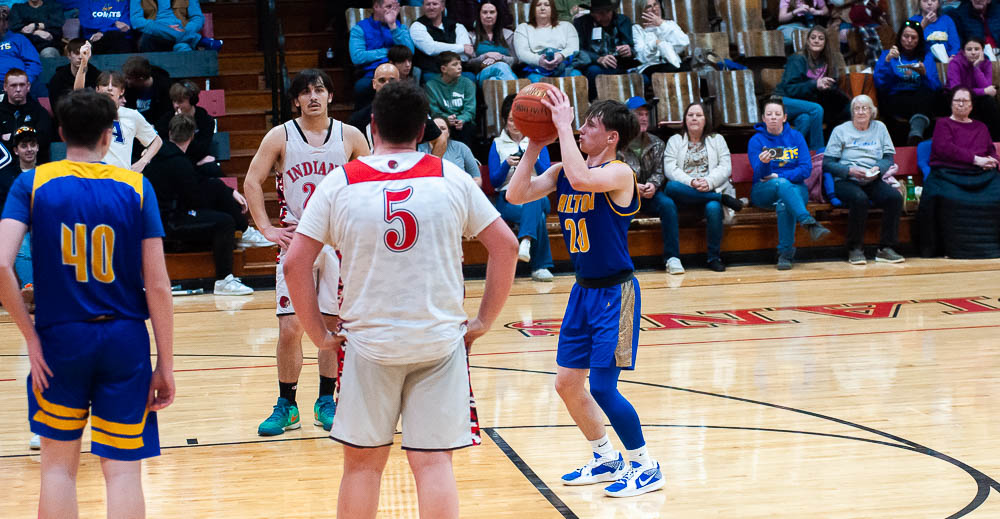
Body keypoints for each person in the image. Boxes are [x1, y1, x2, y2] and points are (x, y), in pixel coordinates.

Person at [285, 79, 517, 519]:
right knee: (432, 464)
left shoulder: (341, 181)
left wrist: (318, 334)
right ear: (423, 130)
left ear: (372, 126)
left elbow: (296, 264)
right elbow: (506, 246)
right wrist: (484, 321)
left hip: (368, 345)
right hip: (438, 342)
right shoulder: (451, 177)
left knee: (362, 467)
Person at [0, 87, 175, 519]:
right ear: (108, 136)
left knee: (58, 471)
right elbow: (157, 284)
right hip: (125, 338)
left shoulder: (32, 182)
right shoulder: (137, 186)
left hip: (60, 339)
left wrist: (31, 339)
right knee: (122, 474)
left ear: (60, 133)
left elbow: (2, 265)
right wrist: (165, 362)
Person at [505, 92, 665, 497]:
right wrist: (536, 145)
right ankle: (604, 456)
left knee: (604, 387)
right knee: (566, 383)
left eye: (589, 125)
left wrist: (558, 125)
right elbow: (516, 195)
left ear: (611, 137)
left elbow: (582, 180)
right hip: (582, 292)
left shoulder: (619, 173)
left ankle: (645, 466)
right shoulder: (564, 170)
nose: (579, 128)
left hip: (617, 292)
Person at [243, 69, 370, 436]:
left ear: (330, 95)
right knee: (290, 326)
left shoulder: (350, 136)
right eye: (305, 92)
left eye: (319, 90)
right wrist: (266, 228)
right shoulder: (280, 135)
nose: (313, 97)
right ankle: (287, 404)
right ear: (296, 99)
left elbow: (374, 181)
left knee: (331, 326)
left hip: (337, 241)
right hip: (297, 239)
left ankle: (325, 400)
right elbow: (252, 180)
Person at [144, 114, 260, 295]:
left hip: (162, 219)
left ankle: (245, 232)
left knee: (217, 188)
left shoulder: (163, 156)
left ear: (169, 133)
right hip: (170, 223)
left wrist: (227, 192)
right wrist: (225, 193)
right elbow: (195, 196)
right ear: (192, 136)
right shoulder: (178, 162)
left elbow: (195, 184)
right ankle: (224, 279)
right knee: (225, 222)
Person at [749, 97, 830, 270]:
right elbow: (761, 175)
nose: (773, 117)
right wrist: (764, 164)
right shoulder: (756, 141)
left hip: (796, 188)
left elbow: (806, 169)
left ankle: (785, 254)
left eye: (777, 114)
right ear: (763, 118)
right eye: (769, 114)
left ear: (784, 117)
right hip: (764, 190)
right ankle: (807, 220)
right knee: (781, 185)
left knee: (784, 201)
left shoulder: (796, 137)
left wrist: (778, 175)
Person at [918, 85, 1000, 258]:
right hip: (950, 174)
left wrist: (993, 161)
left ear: (971, 105)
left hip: (981, 175)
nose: (961, 104)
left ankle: (993, 246)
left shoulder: (981, 127)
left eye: (965, 101)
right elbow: (945, 149)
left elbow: (990, 150)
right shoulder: (943, 124)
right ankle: (952, 248)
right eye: (958, 101)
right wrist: (976, 159)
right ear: (951, 104)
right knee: (951, 198)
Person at [662, 101, 744, 272]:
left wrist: (708, 182)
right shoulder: (675, 140)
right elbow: (670, 168)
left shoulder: (717, 139)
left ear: (705, 119)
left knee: (714, 208)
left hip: (708, 190)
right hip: (684, 193)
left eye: (698, 115)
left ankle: (714, 257)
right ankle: (723, 199)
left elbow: (725, 166)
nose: (694, 118)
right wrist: (691, 182)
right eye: (690, 115)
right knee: (671, 188)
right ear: (685, 119)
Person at [822, 94, 904, 265]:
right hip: (846, 180)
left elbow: (888, 158)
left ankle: (885, 249)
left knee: (894, 198)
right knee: (860, 199)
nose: (860, 112)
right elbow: (827, 163)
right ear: (852, 112)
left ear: (872, 111)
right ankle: (855, 248)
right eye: (856, 109)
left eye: (864, 108)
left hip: (872, 178)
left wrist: (878, 169)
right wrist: (849, 170)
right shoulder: (841, 130)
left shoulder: (880, 128)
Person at [488, 93, 554, 281]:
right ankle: (540, 266)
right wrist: (506, 164)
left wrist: (530, 156)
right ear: (504, 120)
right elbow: (494, 182)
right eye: (510, 120)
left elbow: (546, 175)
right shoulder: (497, 144)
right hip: (508, 198)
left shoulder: (538, 141)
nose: (514, 125)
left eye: (518, 120)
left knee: (535, 196)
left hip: (537, 194)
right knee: (538, 216)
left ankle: (525, 241)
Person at [77, 56, 163, 172]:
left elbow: (156, 141)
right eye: (105, 84)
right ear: (97, 89)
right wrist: (83, 62)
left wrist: (143, 161)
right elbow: (77, 92)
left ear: (122, 91)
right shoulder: (88, 110)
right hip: (92, 178)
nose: (109, 88)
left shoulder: (132, 115)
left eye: (115, 85)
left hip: (121, 180)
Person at [774, 25, 850, 151]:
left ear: (825, 43)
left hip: (802, 105)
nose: (816, 40)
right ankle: (819, 151)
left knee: (805, 119)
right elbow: (790, 89)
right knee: (816, 109)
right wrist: (815, 84)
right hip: (782, 100)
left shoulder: (827, 62)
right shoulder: (797, 59)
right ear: (808, 41)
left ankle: (788, 153)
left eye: (821, 38)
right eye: (813, 37)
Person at [874, 20, 941, 145]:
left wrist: (924, 74)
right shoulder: (887, 55)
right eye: (906, 36)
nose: (909, 40)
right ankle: (916, 131)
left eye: (913, 37)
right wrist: (887, 61)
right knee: (909, 100)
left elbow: (935, 87)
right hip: (897, 98)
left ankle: (916, 133)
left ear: (919, 40)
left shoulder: (926, 57)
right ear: (900, 37)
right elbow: (880, 84)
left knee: (926, 95)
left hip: (920, 98)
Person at [347, 62, 443, 149]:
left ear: (399, 82)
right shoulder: (359, 118)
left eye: (392, 80)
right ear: (374, 84)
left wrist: (430, 168)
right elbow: (348, 147)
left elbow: (440, 140)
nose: (387, 84)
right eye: (382, 80)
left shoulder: (414, 112)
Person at [349, 0, 414, 109]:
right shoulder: (359, 28)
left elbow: (410, 51)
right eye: (388, 7)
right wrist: (389, 51)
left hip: (398, 72)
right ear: (376, 7)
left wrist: (393, 26)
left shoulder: (399, 27)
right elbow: (357, 57)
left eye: (394, 8)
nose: (391, 12)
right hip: (372, 73)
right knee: (362, 86)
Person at [154, 80, 224, 178]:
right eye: (174, 101)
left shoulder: (205, 120)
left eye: (180, 102)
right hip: (174, 161)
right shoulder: (167, 119)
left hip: (197, 162)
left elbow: (201, 148)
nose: (176, 106)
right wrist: (178, 123)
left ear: (192, 101)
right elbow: (165, 146)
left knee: (213, 171)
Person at [573, 0, 636, 97]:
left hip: (620, 64)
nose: (604, 16)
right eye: (599, 13)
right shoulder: (581, 23)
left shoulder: (623, 21)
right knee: (594, 71)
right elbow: (578, 49)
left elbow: (632, 48)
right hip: (594, 65)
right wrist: (598, 59)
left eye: (607, 12)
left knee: (637, 77)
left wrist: (629, 50)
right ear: (592, 13)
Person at [512, 0, 581, 82]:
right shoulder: (523, 28)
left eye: (547, 5)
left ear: (552, 8)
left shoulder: (567, 26)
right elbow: (522, 53)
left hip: (564, 66)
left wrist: (560, 56)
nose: (542, 8)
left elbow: (574, 48)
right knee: (537, 84)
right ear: (533, 9)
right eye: (538, 5)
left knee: (576, 76)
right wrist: (539, 61)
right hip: (536, 68)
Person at [946, 37, 1000, 140]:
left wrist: (976, 67)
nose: (973, 52)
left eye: (977, 49)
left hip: (977, 99)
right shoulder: (955, 63)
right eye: (969, 49)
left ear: (982, 50)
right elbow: (956, 90)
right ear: (963, 51)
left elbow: (986, 86)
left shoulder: (986, 62)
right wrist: (983, 91)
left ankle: (996, 141)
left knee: (989, 102)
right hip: (956, 99)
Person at [410, 0, 474, 80]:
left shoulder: (457, 26)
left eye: (435, 4)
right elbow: (430, 49)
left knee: (470, 77)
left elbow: (465, 56)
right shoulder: (417, 26)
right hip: (432, 72)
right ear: (423, 7)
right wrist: (461, 48)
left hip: (457, 72)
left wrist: (439, 50)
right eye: (428, 4)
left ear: (442, 7)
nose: (431, 7)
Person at [0, 68, 53, 163]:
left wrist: (10, 138)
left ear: (28, 86)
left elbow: (43, 141)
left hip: (36, 167)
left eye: (22, 85)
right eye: (13, 85)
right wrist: (29, 137)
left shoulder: (40, 112)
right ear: (5, 87)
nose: (18, 89)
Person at [425, 51, 478, 146]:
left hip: (463, 123)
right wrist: (445, 118)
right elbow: (434, 111)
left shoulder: (468, 83)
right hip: (441, 121)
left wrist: (461, 119)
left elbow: (470, 110)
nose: (460, 67)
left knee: (468, 129)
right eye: (455, 64)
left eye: (460, 64)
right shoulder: (431, 86)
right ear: (443, 69)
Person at [130, 0, 220, 52]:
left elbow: (197, 17)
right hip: (155, 34)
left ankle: (184, 84)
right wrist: (162, 29)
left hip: (183, 30)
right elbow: (136, 21)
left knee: (182, 47)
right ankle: (198, 40)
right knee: (148, 40)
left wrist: (186, 30)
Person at [630, 0, 689, 78]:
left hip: (674, 64)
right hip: (650, 66)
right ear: (641, 11)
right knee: (672, 71)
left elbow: (684, 43)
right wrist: (655, 44)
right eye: (649, 7)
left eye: (656, 4)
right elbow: (642, 57)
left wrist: (661, 24)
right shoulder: (637, 29)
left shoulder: (669, 24)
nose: (654, 9)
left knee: (689, 71)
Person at [418, 117, 481, 186]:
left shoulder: (461, 148)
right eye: (435, 128)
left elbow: (477, 178)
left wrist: (465, 190)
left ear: (448, 133)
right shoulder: (419, 150)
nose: (439, 132)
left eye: (443, 128)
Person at [47, 39, 101, 116]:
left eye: (84, 53)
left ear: (89, 55)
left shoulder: (97, 76)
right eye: (77, 53)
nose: (81, 57)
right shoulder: (58, 79)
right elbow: (57, 109)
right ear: (69, 55)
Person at [469, 0, 518, 83]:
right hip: (482, 74)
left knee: (494, 80)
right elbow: (468, 63)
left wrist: (501, 58)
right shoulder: (471, 36)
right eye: (485, 12)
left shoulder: (508, 35)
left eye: (492, 12)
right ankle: (516, 92)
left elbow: (516, 60)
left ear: (497, 14)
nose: (488, 16)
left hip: (502, 75)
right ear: (479, 15)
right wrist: (485, 56)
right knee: (501, 66)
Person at [62, 0, 136, 54]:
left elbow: (125, 27)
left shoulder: (123, 2)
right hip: (94, 42)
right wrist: (113, 22)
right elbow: (86, 22)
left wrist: (102, 32)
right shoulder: (86, 2)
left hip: (120, 40)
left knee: (117, 37)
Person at [122, 55, 172, 125]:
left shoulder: (165, 88)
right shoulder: (129, 90)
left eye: (129, 78)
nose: (126, 81)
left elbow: (167, 114)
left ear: (140, 79)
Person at [0, 6, 40, 84]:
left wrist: (25, 82)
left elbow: (34, 64)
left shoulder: (18, 39)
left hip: (16, 85)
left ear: (5, 23)